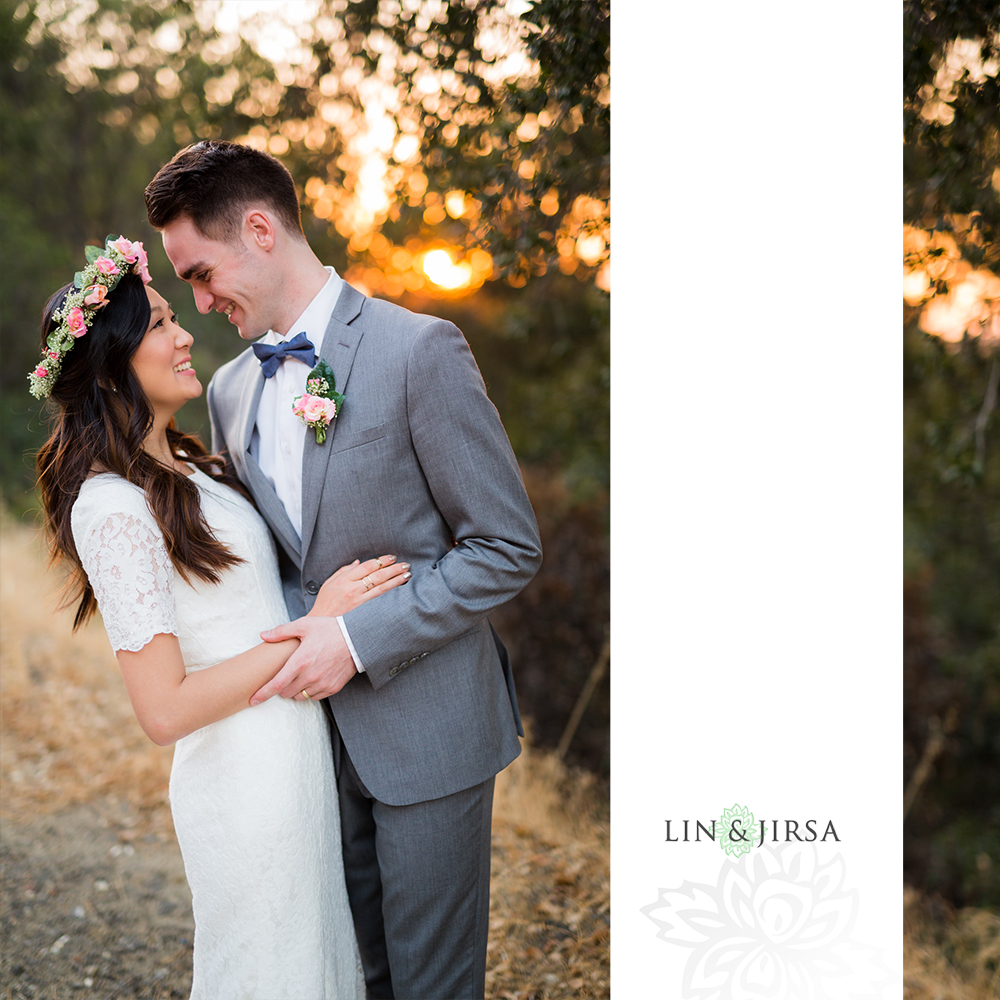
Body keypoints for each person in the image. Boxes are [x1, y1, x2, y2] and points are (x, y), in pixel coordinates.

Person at [144, 140, 543, 1000]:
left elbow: (505, 546)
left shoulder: (418, 351)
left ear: (259, 229)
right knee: (353, 978)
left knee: (431, 987)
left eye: (203, 275)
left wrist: (355, 639)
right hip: (308, 747)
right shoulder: (229, 392)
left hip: (430, 737)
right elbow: (266, 561)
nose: (201, 302)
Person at [31, 235, 412, 999]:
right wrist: (315, 631)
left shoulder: (194, 464)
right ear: (111, 366)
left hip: (295, 761)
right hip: (242, 780)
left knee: (317, 967)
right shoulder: (110, 506)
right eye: (162, 325)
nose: (185, 336)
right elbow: (163, 709)